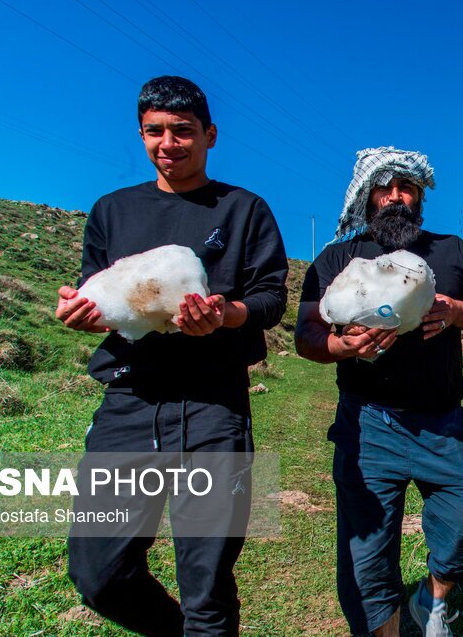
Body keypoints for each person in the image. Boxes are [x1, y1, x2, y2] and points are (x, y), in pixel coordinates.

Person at [55, 75, 288, 636]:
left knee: (206, 585)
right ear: (140, 135)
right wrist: (80, 311)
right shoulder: (111, 211)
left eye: (183, 131)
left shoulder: (243, 210)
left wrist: (225, 315)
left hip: (213, 407)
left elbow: (270, 297)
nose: (169, 143)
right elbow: (99, 291)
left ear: (209, 135)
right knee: (99, 574)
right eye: (154, 131)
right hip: (129, 403)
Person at [295, 147, 463, 637]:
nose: (395, 196)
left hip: (444, 422)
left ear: (420, 195)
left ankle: (431, 601)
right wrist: (341, 344)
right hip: (368, 423)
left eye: (406, 187)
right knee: (366, 557)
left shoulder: (451, 250)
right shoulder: (337, 258)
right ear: (366, 197)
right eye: (384, 187)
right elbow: (306, 334)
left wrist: (457, 312)